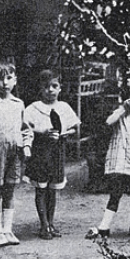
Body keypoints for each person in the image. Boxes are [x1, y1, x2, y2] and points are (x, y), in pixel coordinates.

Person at [88, 74, 130, 239]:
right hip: (121, 155)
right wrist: (122, 109)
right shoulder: (121, 115)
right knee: (116, 191)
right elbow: (108, 122)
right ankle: (104, 226)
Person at [0, 61, 33, 246]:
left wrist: (26, 145)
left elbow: (25, 129)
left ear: (15, 80)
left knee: (10, 189)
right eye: (0, 79)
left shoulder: (18, 104)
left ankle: (8, 229)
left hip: (14, 153)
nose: (5, 83)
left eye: (9, 78)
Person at [24, 69, 80, 239]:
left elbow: (75, 127)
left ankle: (51, 222)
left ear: (60, 88)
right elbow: (26, 127)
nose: (50, 90)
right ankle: (43, 225)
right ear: (40, 88)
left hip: (57, 150)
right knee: (41, 188)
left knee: (53, 188)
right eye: (46, 86)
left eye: (54, 86)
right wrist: (42, 132)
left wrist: (63, 132)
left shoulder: (63, 107)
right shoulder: (34, 108)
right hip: (41, 152)